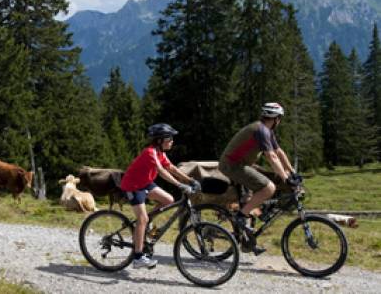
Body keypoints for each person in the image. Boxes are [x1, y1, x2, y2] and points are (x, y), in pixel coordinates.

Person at [219, 102, 300, 254]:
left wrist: (292, 171)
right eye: (280, 118)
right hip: (232, 165)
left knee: (252, 199)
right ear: (276, 118)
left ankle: (247, 242)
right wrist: (285, 178)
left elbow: (279, 152)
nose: (280, 121)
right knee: (269, 187)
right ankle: (241, 217)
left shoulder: (266, 131)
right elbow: (271, 157)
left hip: (243, 165)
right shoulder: (260, 130)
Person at [119, 123, 200, 269]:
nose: (172, 141)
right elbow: (161, 171)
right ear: (159, 140)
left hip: (145, 183)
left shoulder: (160, 152)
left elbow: (171, 167)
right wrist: (179, 185)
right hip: (132, 185)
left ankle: (144, 224)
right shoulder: (150, 152)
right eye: (169, 138)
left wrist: (190, 180)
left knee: (168, 200)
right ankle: (138, 257)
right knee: (142, 218)